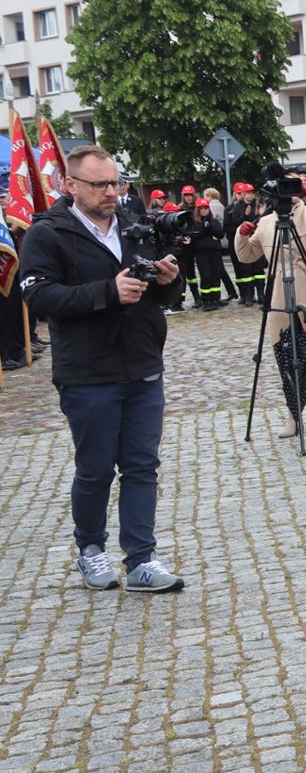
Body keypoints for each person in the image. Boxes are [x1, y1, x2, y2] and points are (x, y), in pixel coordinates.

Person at [20, 144, 187, 594]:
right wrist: (106, 292)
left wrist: (172, 283)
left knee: (141, 466)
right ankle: (91, 549)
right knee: (95, 468)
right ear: (70, 185)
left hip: (143, 366)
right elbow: (39, 297)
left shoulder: (136, 229)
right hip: (88, 372)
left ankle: (141, 559)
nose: (111, 191)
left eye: (116, 182)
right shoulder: (47, 234)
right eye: (100, 184)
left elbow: (164, 298)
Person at [235, 174, 306, 435]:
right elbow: (246, 255)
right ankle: (293, 416)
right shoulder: (266, 222)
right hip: (279, 291)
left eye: (293, 187)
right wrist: (242, 235)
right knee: (286, 355)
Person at [226, 184, 268, 306]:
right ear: (243, 194)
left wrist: (261, 214)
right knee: (246, 271)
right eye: (247, 193)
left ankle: (261, 294)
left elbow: (264, 221)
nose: (250, 195)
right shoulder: (237, 206)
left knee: (259, 270)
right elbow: (235, 224)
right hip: (245, 241)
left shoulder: (259, 204)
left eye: (252, 192)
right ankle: (249, 295)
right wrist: (245, 215)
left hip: (257, 240)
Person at [187, 199, 230, 311]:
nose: (204, 210)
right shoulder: (194, 223)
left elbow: (220, 233)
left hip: (214, 252)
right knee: (205, 276)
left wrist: (210, 226)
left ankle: (215, 299)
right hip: (201, 253)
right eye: (201, 208)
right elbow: (192, 236)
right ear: (198, 210)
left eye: (205, 208)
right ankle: (206, 300)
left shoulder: (213, 221)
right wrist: (203, 229)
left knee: (215, 276)